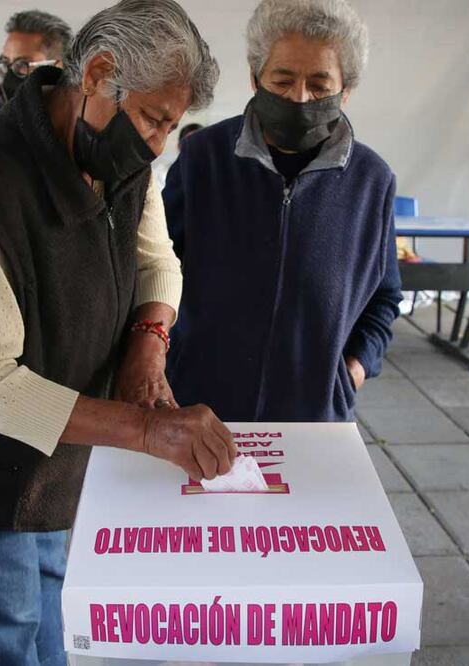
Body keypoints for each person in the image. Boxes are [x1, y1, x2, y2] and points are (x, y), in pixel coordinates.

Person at [0, 2, 227, 664]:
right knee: (10, 617)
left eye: (171, 126)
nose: (158, 144)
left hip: (59, 439)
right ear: (98, 75)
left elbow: (158, 259)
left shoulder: (120, 156)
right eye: (155, 119)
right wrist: (148, 430)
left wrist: (147, 342)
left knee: (51, 585)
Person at [164, 0, 403, 422]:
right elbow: (154, 270)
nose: (300, 97)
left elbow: (383, 297)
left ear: (346, 89)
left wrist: (353, 370)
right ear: (255, 79)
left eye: (320, 84)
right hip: (196, 409)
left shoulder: (372, 181)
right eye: (283, 80)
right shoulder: (203, 159)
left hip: (314, 419)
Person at [0, 10, 72, 117]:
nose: (8, 75)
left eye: (22, 63)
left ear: (57, 67)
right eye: (5, 62)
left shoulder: (82, 119)